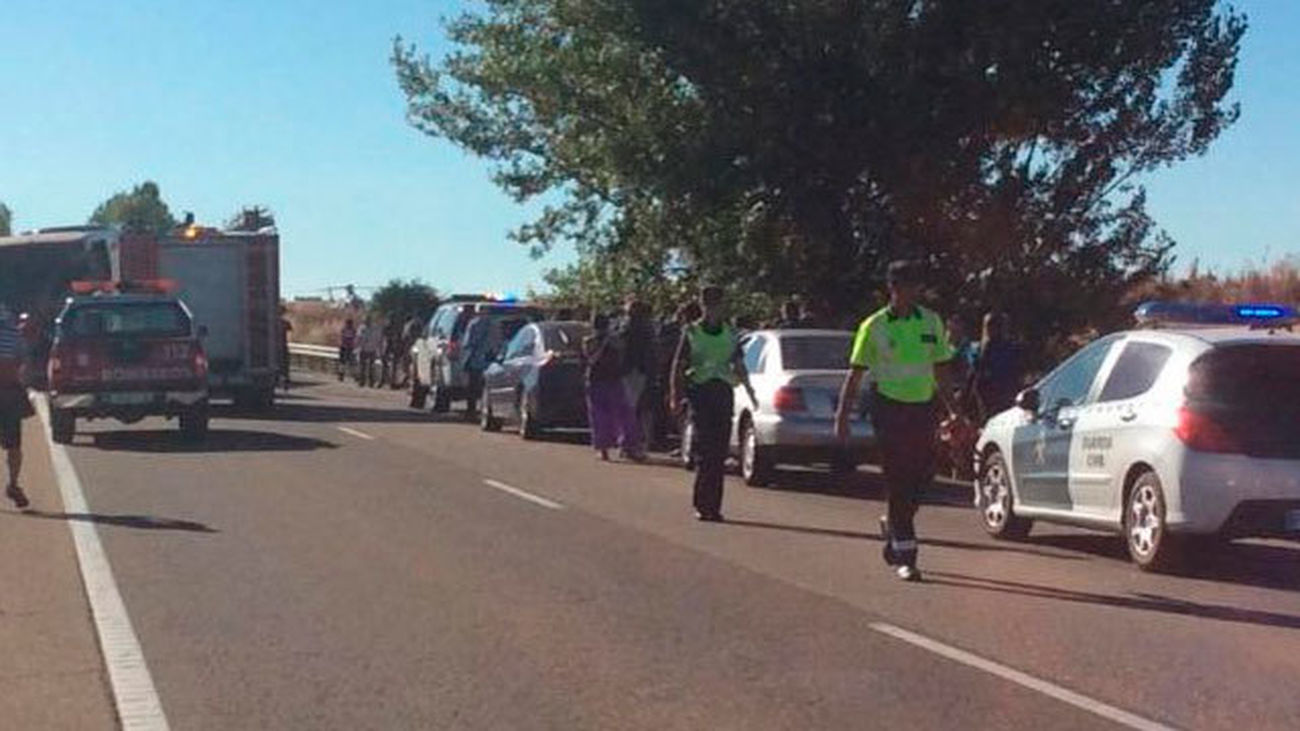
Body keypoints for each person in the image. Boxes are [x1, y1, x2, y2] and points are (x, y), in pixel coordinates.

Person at [834, 260, 956, 581]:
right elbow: (855, 373)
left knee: (923, 476)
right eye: (906, 286)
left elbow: (941, 369)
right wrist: (842, 416)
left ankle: (893, 522)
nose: (912, 292)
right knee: (899, 479)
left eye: (916, 286)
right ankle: (907, 555)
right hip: (888, 407)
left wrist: (953, 410)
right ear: (893, 288)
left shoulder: (930, 322)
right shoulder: (874, 326)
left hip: (923, 407)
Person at [671, 286, 757, 522]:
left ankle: (714, 506)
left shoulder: (730, 332)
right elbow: (679, 365)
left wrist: (749, 389)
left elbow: (738, 363)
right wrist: (675, 395)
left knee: (719, 451)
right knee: (705, 448)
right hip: (700, 392)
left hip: (722, 391)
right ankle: (701, 503)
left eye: (718, 303)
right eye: (710, 303)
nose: (715, 308)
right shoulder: (692, 331)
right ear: (704, 305)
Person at [584, 313, 638, 461]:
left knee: (625, 414)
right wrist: (603, 344)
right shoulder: (590, 341)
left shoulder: (616, 340)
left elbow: (622, 354)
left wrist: (613, 342)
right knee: (599, 416)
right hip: (596, 380)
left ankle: (628, 446)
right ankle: (603, 448)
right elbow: (592, 359)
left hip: (614, 379)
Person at [0, 306, 32, 509]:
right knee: (14, 445)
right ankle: (13, 484)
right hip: (9, 393)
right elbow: (23, 361)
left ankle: (13, 485)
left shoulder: (14, 333)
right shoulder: (14, 334)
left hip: (9, 392)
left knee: (14, 445)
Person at [618, 299, 656, 460]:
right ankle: (631, 445)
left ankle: (628, 444)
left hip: (631, 370)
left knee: (631, 408)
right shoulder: (644, 329)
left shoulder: (626, 328)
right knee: (635, 409)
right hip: (637, 370)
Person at [969, 311, 1023, 420]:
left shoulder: (1013, 348)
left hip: (1006, 393)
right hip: (985, 396)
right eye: (989, 325)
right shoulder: (978, 349)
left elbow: (1018, 372)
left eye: (996, 325)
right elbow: (974, 374)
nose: (992, 329)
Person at [357, 317, 383, 388]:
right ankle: (366, 381)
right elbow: (379, 340)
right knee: (366, 366)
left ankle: (366, 381)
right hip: (369, 349)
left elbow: (359, 338)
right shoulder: (374, 329)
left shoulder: (363, 328)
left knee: (367, 366)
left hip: (368, 349)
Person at [278, 311, 293, 390]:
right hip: (283, 346)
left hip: (277, 346)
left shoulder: (271, 322)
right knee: (285, 364)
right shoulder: (285, 323)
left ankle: (284, 380)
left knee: (283, 364)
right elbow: (290, 330)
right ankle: (285, 380)